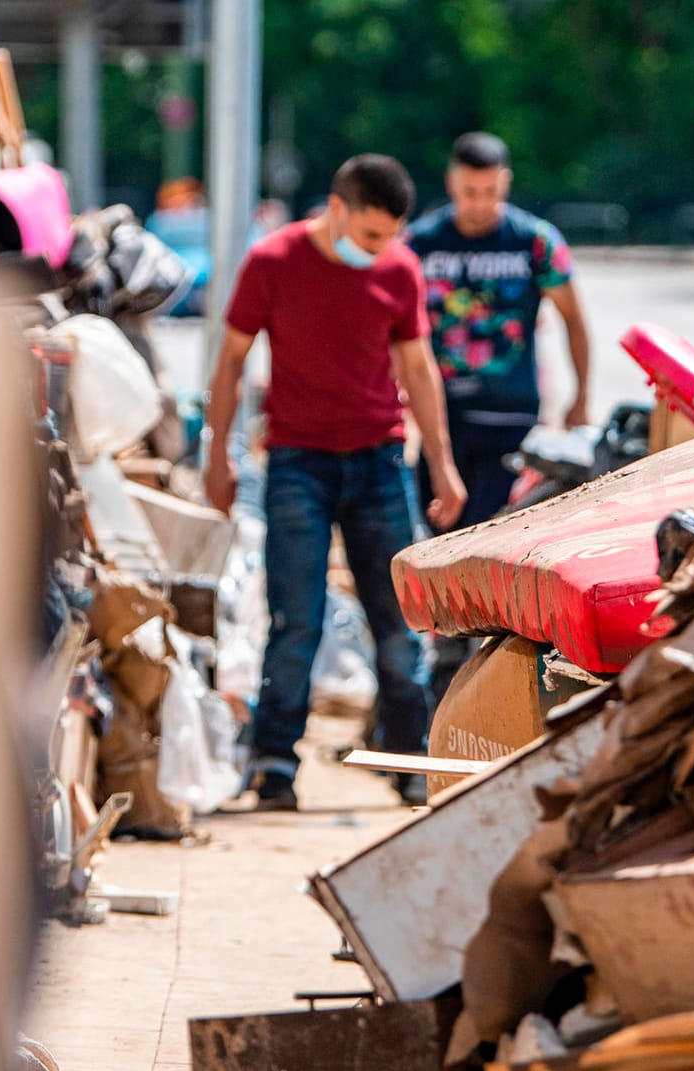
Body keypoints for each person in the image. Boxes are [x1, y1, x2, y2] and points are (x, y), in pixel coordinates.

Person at [204, 154, 467, 810]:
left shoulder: (400, 269)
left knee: (399, 621)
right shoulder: (272, 261)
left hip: (379, 463)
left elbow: (418, 368)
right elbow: (231, 361)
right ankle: (274, 768)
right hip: (297, 463)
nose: (381, 250)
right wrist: (218, 455)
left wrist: (441, 464)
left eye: (391, 238)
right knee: (297, 620)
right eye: (372, 236)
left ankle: (408, 760)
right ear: (337, 208)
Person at [406, 131, 591, 533]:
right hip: (443, 418)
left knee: (490, 533)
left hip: (513, 417)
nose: (479, 203)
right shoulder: (420, 244)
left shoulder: (534, 241)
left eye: (490, 190)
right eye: (470, 191)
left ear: (505, 181)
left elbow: (574, 319)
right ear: (452, 181)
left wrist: (581, 397)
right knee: (437, 535)